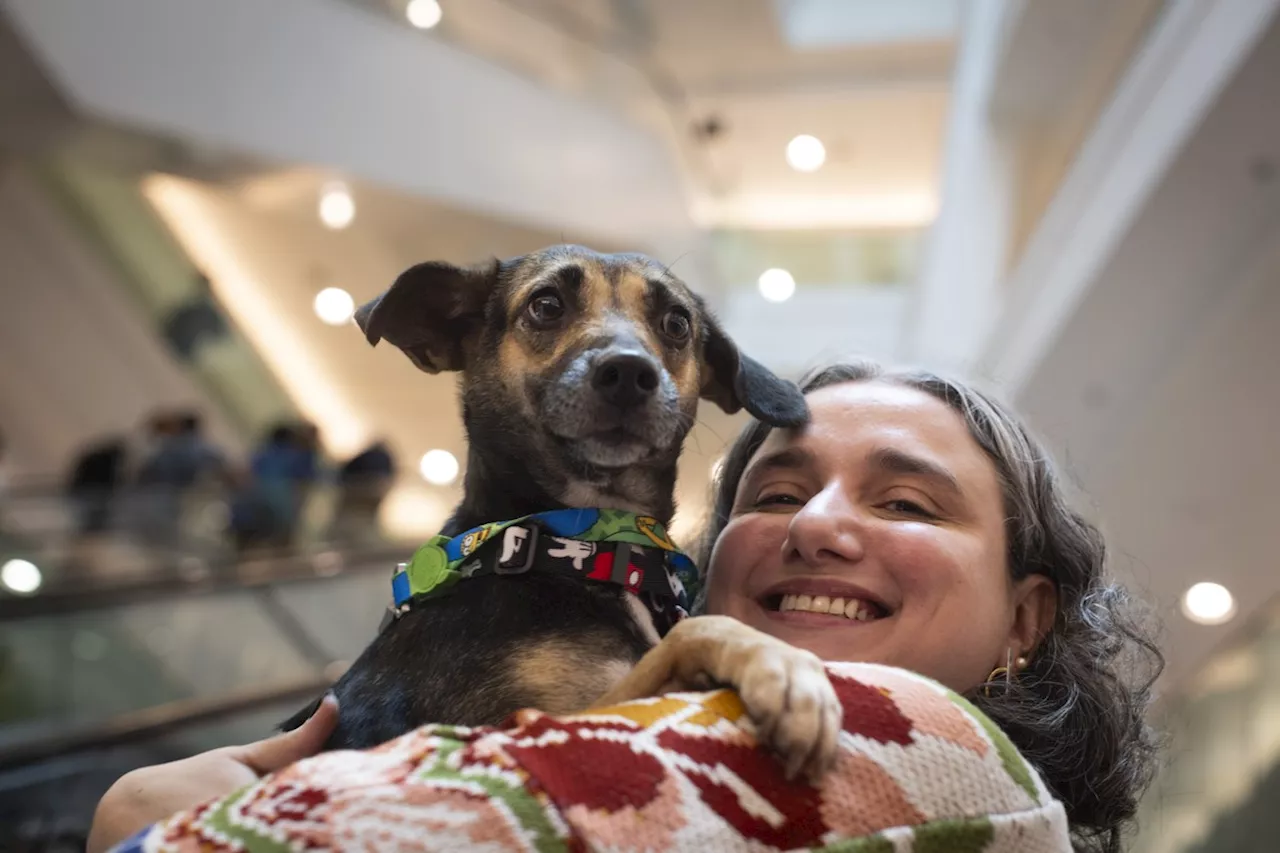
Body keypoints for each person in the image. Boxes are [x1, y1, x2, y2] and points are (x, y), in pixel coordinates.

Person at [88, 361, 1161, 853]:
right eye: (775, 492)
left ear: (1025, 617)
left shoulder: (922, 743)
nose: (816, 527)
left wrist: (154, 834)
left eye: (904, 500)